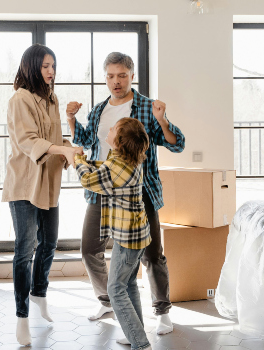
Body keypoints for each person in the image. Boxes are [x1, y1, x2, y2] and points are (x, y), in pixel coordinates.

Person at [67, 52, 186, 335]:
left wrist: (163, 121)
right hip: (104, 191)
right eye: (110, 76)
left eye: (122, 75)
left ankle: (162, 310)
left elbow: (177, 144)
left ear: (132, 76)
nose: (116, 81)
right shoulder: (98, 110)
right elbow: (84, 139)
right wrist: (71, 118)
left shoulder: (147, 108)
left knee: (152, 254)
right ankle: (108, 300)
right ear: (105, 78)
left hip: (139, 193)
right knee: (89, 249)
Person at [3, 43, 82, 346]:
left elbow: (50, 139)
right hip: (24, 184)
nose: (51, 71)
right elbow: (27, 140)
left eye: (54, 66)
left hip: (48, 183)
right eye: (46, 66)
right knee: (25, 249)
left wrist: (68, 146)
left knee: (49, 243)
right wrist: (61, 149)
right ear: (31, 67)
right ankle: (21, 316)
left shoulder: (52, 99)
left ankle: (39, 294)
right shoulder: (19, 99)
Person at [74, 118, 153, 350]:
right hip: (133, 235)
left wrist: (76, 159)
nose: (108, 130)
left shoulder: (119, 167)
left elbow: (89, 180)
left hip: (129, 238)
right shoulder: (123, 159)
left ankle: (141, 344)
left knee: (115, 289)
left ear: (119, 141)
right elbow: (102, 167)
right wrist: (85, 159)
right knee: (127, 284)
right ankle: (133, 334)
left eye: (113, 129)